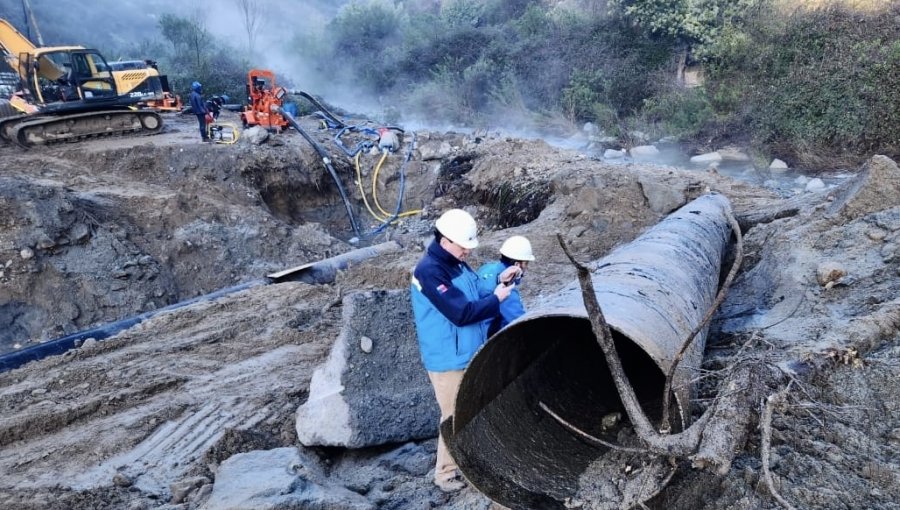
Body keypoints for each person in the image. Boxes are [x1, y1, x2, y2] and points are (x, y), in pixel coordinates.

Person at [410, 209, 521, 493]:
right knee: (453, 416)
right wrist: (497, 299)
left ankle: (468, 462)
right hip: (448, 359)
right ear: (446, 240)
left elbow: (472, 295)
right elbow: (461, 313)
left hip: (467, 351)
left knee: (468, 410)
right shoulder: (429, 272)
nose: (467, 252)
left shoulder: (456, 263)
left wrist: (499, 282)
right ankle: (446, 474)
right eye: (464, 246)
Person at [477, 235, 535, 337]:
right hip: (486, 338)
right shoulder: (506, 291)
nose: (526, 268)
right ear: (517, 265)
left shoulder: (486, 268)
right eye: (526, 264)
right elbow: (520, 321)